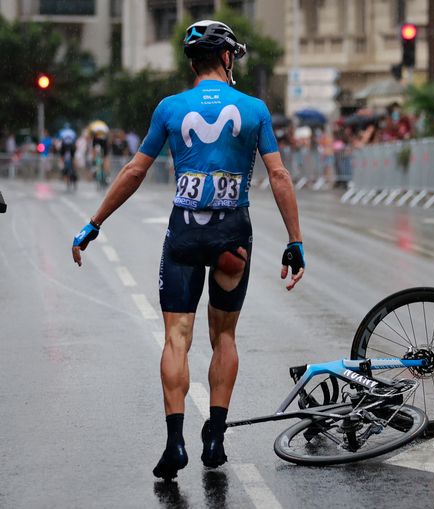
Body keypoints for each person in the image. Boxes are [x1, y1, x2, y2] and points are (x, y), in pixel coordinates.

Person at [70, 20, 305, 481]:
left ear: (192, 62)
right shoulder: (254, 109)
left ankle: (174, 442)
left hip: (184, 232)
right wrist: (295, 241)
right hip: (232, 235)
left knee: (177, 338)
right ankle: (214, 437)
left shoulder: (170, 108)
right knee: (225, 338)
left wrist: (94, 223)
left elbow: (135, 172)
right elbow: (279, 177)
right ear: (225, 58)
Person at [57, 123, 78, 188]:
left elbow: (59, 141)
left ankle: (63, 166)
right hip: (71, 146)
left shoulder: (61, 132)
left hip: (64, 146)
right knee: (73, 158)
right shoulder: (72, 132)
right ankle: (74, 168)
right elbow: (75, 141)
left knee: (62, 157)